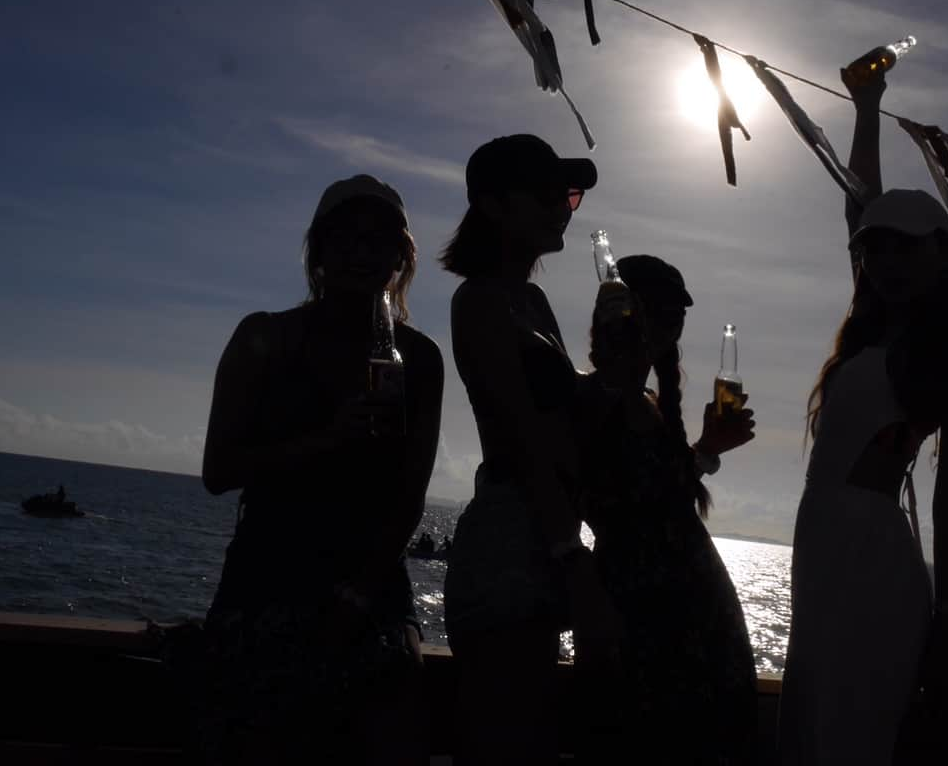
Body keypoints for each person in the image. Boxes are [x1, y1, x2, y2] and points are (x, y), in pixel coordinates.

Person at [777, 70, 948, 766]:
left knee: (853, 737)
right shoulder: (871, 322)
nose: (886, 260)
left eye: (907, 246)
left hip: (875, 563)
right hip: (819, 559)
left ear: (942, 252)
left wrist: (947, 627)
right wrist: (865, 105)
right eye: (876, 248)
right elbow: (858, 197)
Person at [199, 174, 444, 765]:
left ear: (399, 258)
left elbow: (409, 496)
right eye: (345, 239)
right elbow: (219, 469)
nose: (362, 253)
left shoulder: (420, 358)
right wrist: (326, 439)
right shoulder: (264, 336)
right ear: (319, 250)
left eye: (379, 241)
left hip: (371, 584)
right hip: (266, 575)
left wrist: (356, 598)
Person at [441, 134, 619, 766]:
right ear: (492, 204)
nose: (563, 208)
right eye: (546, 195)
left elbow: (565, 424)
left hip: (544, 539)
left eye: (565, 196)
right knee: (507, 735)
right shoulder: (482, 300)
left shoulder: (533, 300)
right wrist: (573, 560)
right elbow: (522, 435)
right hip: (514, 536)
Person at [578, 254, 758, 764]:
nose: (659, 331)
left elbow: (661, 501)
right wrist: (702, 453)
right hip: (646, 621)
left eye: (671, 321)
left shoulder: (652, 405)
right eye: (647, 314)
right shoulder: (588, 398)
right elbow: (621, 507)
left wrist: (705, 449)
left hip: (691, 620)